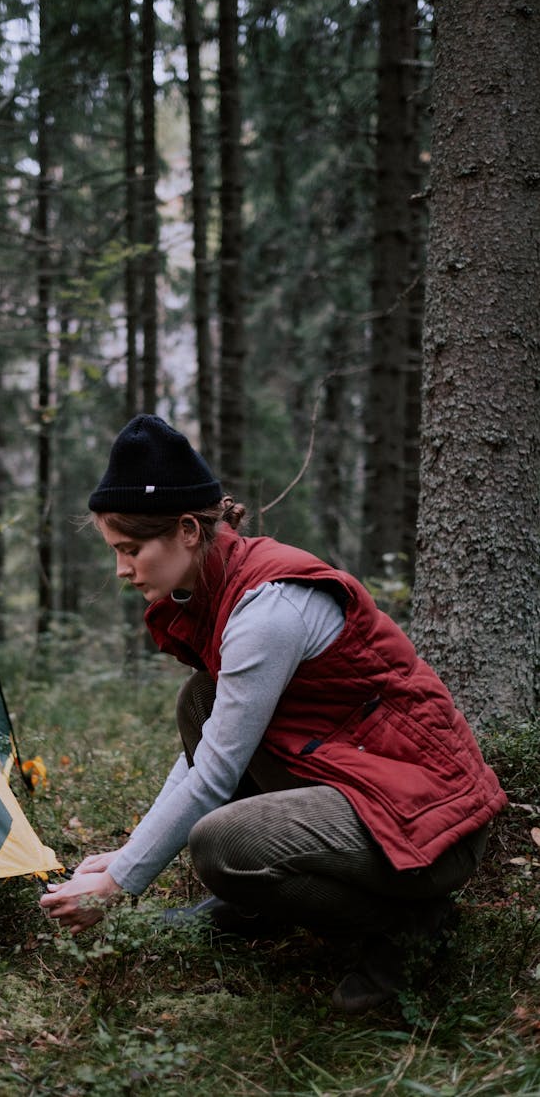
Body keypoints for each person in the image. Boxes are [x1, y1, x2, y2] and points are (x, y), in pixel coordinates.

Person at [40, 414, 507, 1013]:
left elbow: (215, 773)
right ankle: (257, 907)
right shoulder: (223, 587)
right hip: (364, 787)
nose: (122, 570)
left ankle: (408, 928)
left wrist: (117, 883)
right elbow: (209, 748)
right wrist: (132, 850)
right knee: (201, 702)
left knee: (222, 844)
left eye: (131, 549)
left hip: (428, 825)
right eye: (116, 551)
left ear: (187, 530)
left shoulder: (266, 611)